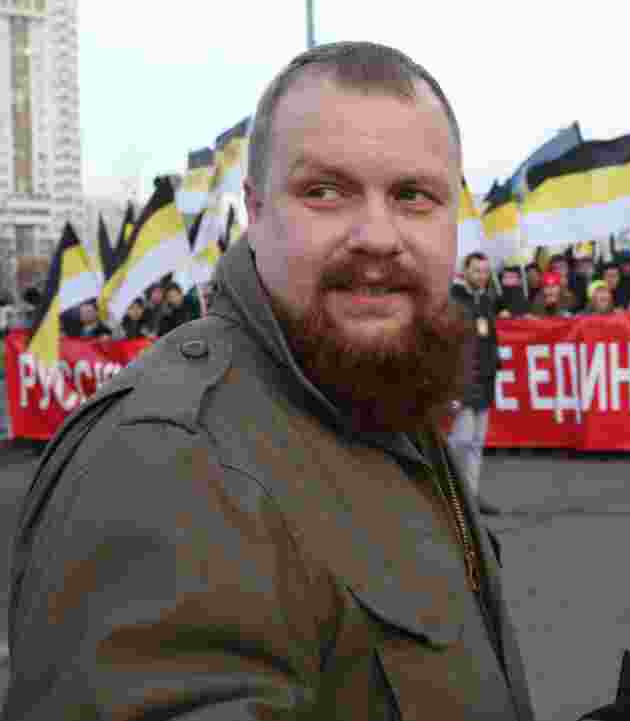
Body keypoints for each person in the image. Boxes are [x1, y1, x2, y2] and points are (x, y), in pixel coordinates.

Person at [5, 41, 536, 719]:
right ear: (255, 212)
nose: (378, 234)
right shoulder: (167, 466)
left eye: (413, 196)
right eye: (324, 191)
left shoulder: (383, 393)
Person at [448, 251, 502, 516]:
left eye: (485, 271)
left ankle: (470, 495)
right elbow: (449, 346)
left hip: (485, 379)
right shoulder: (454, 300)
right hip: (463, 380)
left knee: (477, 442)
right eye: (477, 270)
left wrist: (494, 369)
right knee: (461, 440)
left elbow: (491, 340)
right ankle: (451, 493)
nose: (482, 275)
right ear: (465, 271)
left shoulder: (486, 301)